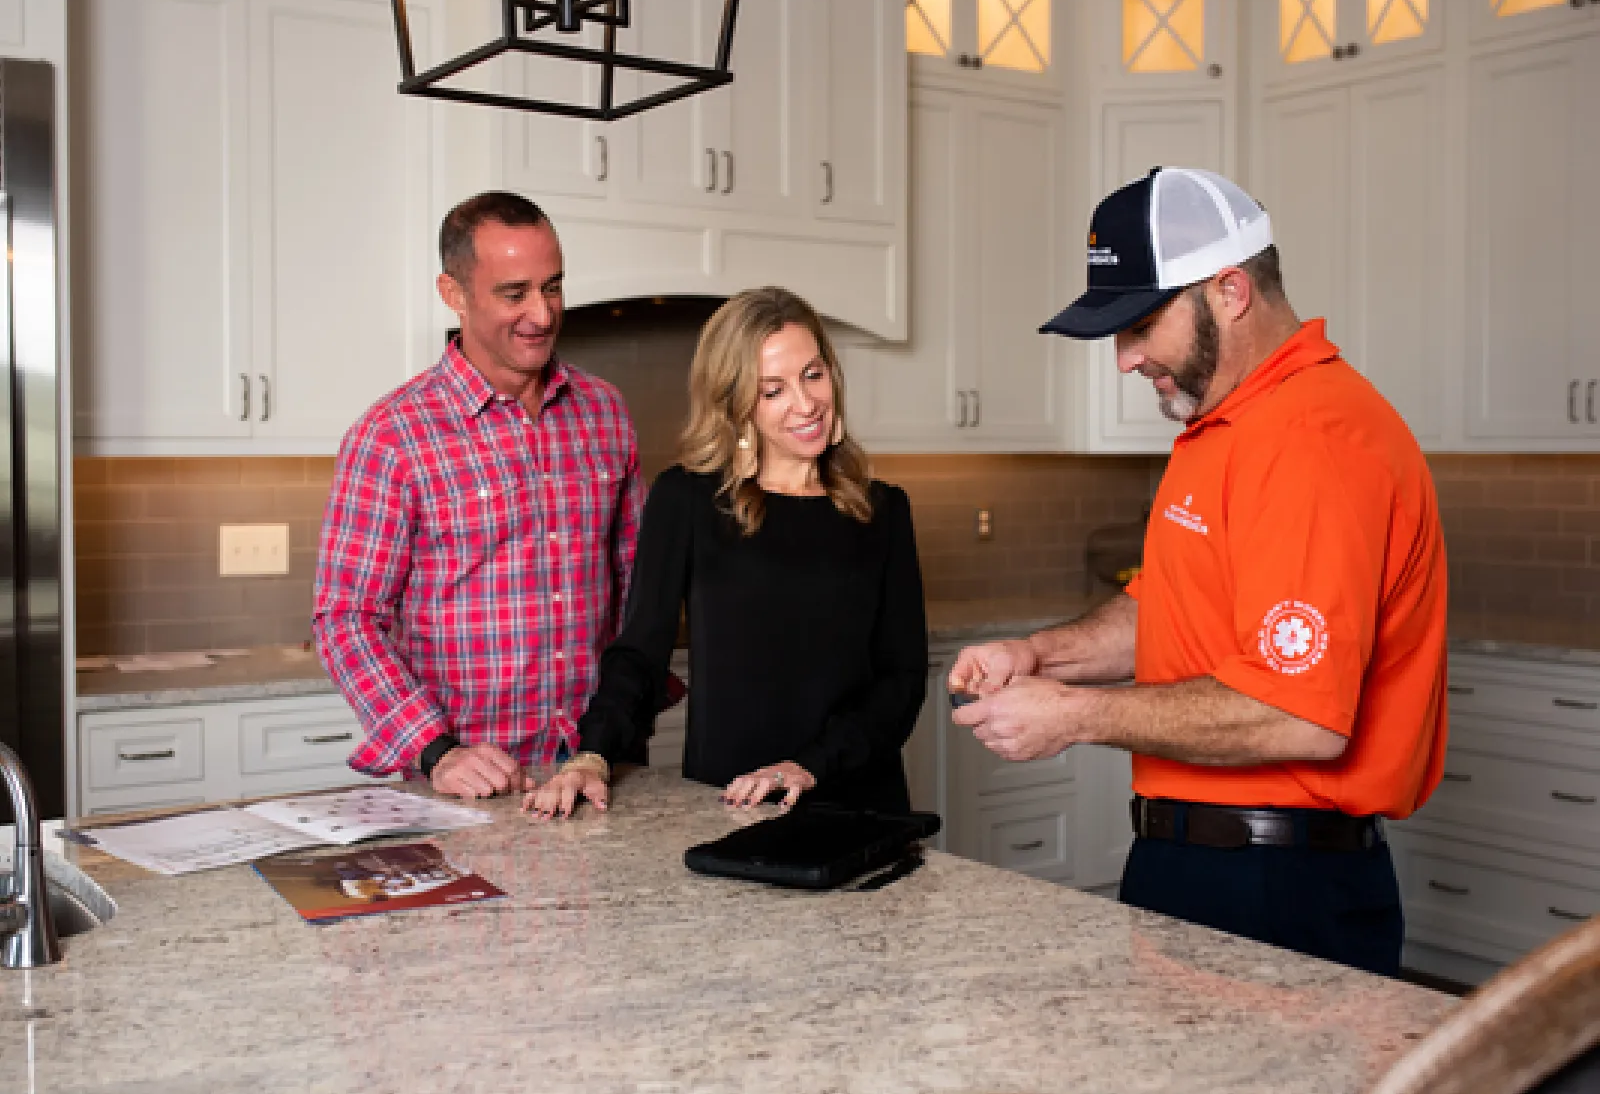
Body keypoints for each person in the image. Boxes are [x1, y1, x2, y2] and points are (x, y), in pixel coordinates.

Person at [948, 167, 1449, 977]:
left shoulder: (1312, 440)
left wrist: (1073, 715)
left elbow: (1299, 718)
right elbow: (1169, 608)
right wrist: (1040, 656)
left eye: (1141, 324)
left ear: (1230, 290)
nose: (1125, 357)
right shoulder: (1225, 423)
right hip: (1200, 867)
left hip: (1280, 888)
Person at [524, 287, 929, 819]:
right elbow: (640, 653)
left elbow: (901, 682)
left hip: (857, 804)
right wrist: (593, 755)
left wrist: (809, 765)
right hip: (733, 803)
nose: (805, 405)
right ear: (736, 403)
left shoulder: (883, 511)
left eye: (813, 374)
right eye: (773, 391)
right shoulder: (687, 500)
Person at [313, 191, 644, 800]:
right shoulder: (391, 436)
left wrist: (614, 733)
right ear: (454, 292)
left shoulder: (606, 413)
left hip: (596, 774)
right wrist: (438, 751)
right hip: (467, 787)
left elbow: (635, 590)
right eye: (514, 293)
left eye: (553, 286)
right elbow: (346, 619)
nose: (542, 314)